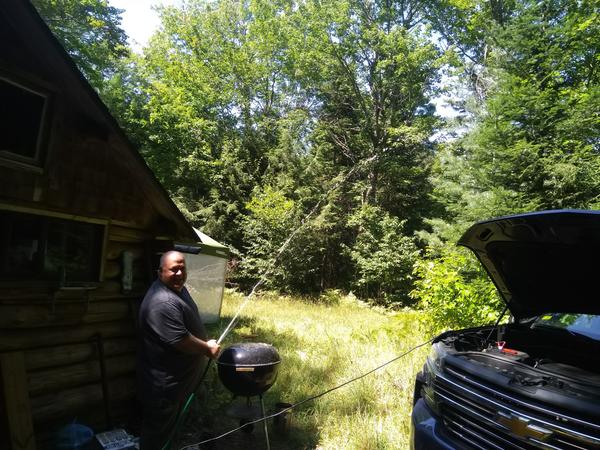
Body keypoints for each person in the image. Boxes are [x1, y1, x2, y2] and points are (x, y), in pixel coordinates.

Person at [137, 250, 220, 450]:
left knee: (171, 431)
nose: (179, 274)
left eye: (182, 269)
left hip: (179, 382)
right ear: (160, 272)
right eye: (174, 270)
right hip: (166, 386)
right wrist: (207, 348)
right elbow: (181, 340)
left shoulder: (178, 289)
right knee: (157, 435)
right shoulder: (162, 302)